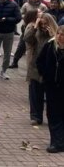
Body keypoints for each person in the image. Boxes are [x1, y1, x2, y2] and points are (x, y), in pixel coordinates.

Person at [24, 12, 58, 125]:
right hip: (35, 66)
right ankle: (36, 116)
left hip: (50, 68)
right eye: (42, 24)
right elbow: (27, 38)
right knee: (35, 94)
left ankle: (51, 116)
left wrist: (52, 34)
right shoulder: (36, 32)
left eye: (45, 24)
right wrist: (34, 27)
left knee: (50, 95)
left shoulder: (55, 34)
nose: (43, 26)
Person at [36, 25, 64, 153]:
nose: (59, 37)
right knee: (53, 114)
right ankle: (55, 142)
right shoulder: (50, 46)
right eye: (58, 33)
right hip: (51, 86)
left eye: (62, 34)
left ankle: (61, 142)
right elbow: (39, 61)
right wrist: (45, 75)